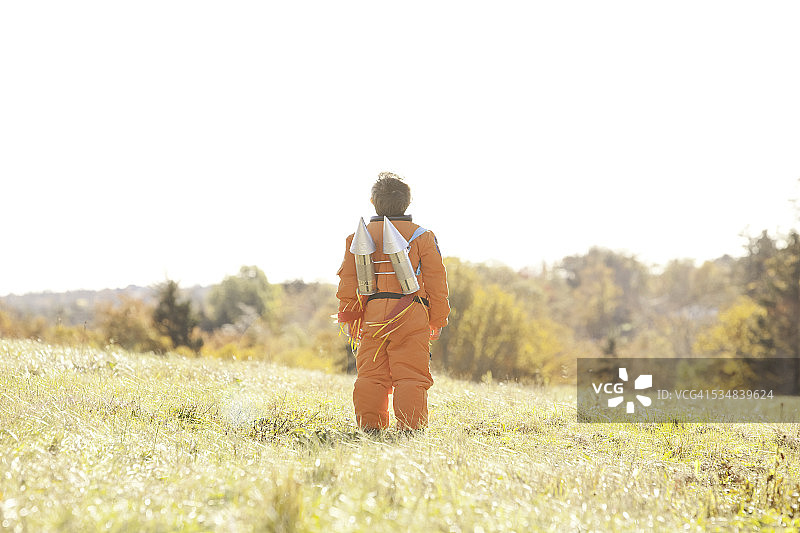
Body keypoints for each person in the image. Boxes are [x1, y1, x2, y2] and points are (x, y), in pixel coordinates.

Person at [336, 172, 450, 431]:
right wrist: (438, 319)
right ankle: (411, 430)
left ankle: (370, 428)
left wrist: (349, 318)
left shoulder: (357, 238)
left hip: (373, 315)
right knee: (411, 374)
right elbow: (436, 281)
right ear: (408, 202)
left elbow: (349, 282)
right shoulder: (423, 236)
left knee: (370, 374)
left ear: (372, 201)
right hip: (412, 314)